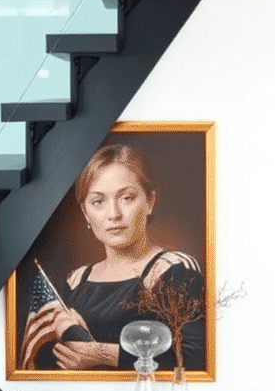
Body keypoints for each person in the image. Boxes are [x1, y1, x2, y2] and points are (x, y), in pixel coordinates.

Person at [19, 143, 204, 372]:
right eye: (98, 202)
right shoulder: (77, 280)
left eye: (127, 198)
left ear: (150, 201)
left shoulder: (173, 268)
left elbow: (194, 357)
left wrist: (102, 354)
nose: (114, 214)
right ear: (86, 213)